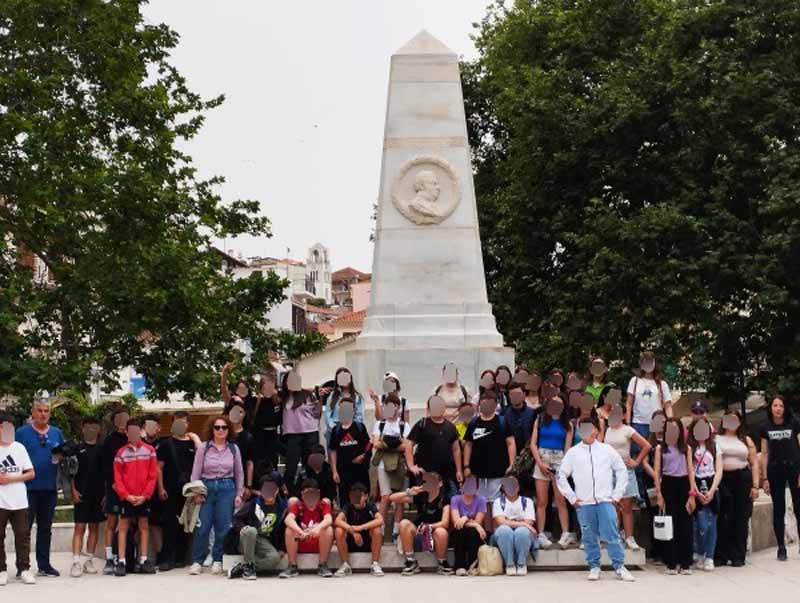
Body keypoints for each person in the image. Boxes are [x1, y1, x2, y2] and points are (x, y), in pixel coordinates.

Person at [556, 416, 635, 582]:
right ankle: (594, 566)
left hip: (605, 501)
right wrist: (572, 497)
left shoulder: (607, 450)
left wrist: (617, 494)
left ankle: (619, 566)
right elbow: (561, 475)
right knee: (588, 536)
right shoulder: (573, 452)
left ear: (596, 430)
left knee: (612, 535)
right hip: (584, 503)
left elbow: (621, 470)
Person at [15, 398, 65, 577]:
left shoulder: (57, 433)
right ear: (33, 412)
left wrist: (61, 457)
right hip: (26, 488)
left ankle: (44, 565)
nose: (43, 414)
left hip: (49, 488)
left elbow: (62, 456)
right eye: (40, 410)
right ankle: (23, 566)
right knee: (24, 529)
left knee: (45, 528)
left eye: (46, 411)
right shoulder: (21, 433)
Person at [189, 416, 244, 575]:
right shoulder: (204, 448)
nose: (220, 430)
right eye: (217, 427)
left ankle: (218, 559)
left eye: (224, 427)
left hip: (227, 488)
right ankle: (197, 561)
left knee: (223, 527)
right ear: (211, 429)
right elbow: (195, 472)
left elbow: (239, 473)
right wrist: (196, 492)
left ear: (229, 430)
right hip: (206, 487)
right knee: (203, 526)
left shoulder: (233, 449)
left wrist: (239, 494)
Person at [112, 418, 158, 576]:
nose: (133, 434)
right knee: (123, 527)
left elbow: (153, 475)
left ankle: (143, 560)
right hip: (127, 497)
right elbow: (117, 477)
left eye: (136, 431)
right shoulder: (121, 453)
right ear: (126, 432)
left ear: (141, 431)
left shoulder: (150, 451)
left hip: (143, 496)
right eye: (130, 431)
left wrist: (145, 495)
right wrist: (125, 495)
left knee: (144, 526)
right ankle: (121, 561)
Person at [601, 404, 651, 550]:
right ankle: (614, 537)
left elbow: (646, 446)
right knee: (613, 506)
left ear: (623, 415)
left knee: (627, 507)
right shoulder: (607, 430)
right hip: (609, 472)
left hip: (625, 471)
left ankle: (629, 537)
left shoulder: (628, 430)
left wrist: (636, 462)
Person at [156, 411, 200, 570]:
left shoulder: (194, 444)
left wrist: (195, 438)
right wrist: (161, 488)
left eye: (183, 422)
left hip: (189, 490)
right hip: (169, 489)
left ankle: (181, 558)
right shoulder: (165, 444)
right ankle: (166, 559)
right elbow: (159, 468)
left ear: (188, 424)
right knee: (169, 524)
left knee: (186, 524)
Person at [715, 409, 758, 567]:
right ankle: (721, 554)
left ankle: (738, 555)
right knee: (724, 516)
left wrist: (755, 485)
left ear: (740, 423)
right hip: (723, 480)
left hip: (742, 479)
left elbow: (754, 463)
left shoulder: (746, 440)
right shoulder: (716, 438)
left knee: (741, 517)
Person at [759, 395, 800, 561]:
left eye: (781, 406)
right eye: (775, 405)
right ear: (770, 408)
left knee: (798, 507)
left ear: (785, 408)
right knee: (778, 509)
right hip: (775, 470)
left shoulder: (794, 423)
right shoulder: (765, 427)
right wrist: (765, 478)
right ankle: (781, 547)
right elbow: (764, 453)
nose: (778, 409)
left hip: (794, 468)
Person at [654, 417, 696, 575]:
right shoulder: (660, 448)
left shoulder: (686, 448)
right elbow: (657, 472)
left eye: (675, 428)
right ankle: (671, 563)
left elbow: (691, 470)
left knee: (685, 524)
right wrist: (659, 494)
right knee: (670, 523)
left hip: (684, 483)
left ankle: (685, 563)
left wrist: (692, 494)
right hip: (668, 484)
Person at [390, 471, 453, 576]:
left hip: (435, 536)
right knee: (404, 523)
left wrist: (429, 526)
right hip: (419, 534)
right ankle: (411, 561)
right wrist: (410, 492)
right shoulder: (421, 496)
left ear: (440, 483)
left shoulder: (445, 499)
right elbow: (392, 498)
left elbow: (445, 522)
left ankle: (442, 562)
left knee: (441, 531)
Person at [530, 397, 573, 548]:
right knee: (542, 500)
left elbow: (567, 449)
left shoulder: (567, 424)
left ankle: (565, 533)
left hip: (559, 460)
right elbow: (533, 444)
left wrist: (564, 467)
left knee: (561, 499)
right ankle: (541, 533)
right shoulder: (540, 419)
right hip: (542, 457)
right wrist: (540, 463)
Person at [464, 391, 516, 515]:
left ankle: (497, 527)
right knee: (481, 505)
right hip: (477, 472)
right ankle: (483, 527)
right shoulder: (473, 423)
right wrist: (466, 466)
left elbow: (511, 443)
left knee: (497, 505)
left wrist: (512, 464)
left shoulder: (502, 421)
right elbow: (468, 445)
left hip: (499, 471)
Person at [228, 471, 287, 580]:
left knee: (274, 558)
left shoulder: (281, 507)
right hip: (247, 538)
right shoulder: (253, 504)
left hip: (264, 540)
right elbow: (236, 518)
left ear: (277, 490)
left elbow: (283, 528)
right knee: (251, 531)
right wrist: (242, 528)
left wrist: (282, 548)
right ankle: (249, 568)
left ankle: (244, 567)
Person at [0, 414, 37, 586]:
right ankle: (1, 570)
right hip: (0, 501)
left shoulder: (19, 448)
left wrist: (11, 479)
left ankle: (24, 569)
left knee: (23, 536)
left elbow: (31, 473)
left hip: (19, 501)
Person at [405, 395, 462, 503]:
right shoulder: (422, 424)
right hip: (426, 474)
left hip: (447, 474)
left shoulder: (450, 427)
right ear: (428, 408)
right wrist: (411, 465)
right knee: (425, 502)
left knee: (449, 501)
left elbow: (456, 449)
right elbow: (408, 443)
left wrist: (459, 470)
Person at [371, 392, 410, 541]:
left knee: (400, 498)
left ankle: (396, 530)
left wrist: (386, 444)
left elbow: (407, 446)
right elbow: (376, 443)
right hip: (383, 465)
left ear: (398, 408)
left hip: (400, 465)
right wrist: (395, 444)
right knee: (385, 497)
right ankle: (380, 529)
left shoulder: (404, 425)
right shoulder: (380, 424)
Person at [69, 417, 105, 577]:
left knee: (94, 528)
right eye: (88, 426)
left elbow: (107, 474)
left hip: (98, 495)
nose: (91, 429)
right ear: (83, 429)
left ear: (99, 429)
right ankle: (76, 562)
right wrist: (73, 490)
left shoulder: (103, 449)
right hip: (81, 494)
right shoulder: (76, 449)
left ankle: (89, 560)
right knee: (79, 527)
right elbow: (70, 473)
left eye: (94, 426)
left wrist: (106, 494)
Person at [280, 478, 334, 578]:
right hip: (301, 540)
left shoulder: (322, 505)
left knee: (329, 529)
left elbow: (329, 519)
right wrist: (300, 531)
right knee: (289, 530)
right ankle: (292, 566)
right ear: (302, 494)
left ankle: (322, 565)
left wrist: (317, 529)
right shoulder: (298, 505)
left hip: (318, 542)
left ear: (318, 493)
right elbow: (288, 519)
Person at [687, 417, 722, 571]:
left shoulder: (714, 446)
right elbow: (690, 470)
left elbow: (719, 469)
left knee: (712, 523)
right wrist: (695, 491)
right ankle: (700, 552)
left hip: (712, 484)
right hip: (696, 484)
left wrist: (713, 489)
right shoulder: (690, 448)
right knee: (700, 523)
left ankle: (710, 556)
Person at [99, 407, 131, 574]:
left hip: (132, 489)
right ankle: (109, 558)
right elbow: (106, 466)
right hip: (114, 488)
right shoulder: (109, 441)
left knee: (131, 523)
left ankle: (126, 558)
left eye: (125, 417)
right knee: (111, 522)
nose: (122, 420)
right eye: (119, 417)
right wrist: (112, 484)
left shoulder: (134, 439)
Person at [334, 482, 385, 577]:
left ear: (365, 496)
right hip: (351, 541)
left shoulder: (370, 506)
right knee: (338, 530)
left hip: (368, 541)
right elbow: (337, 520)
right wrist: (352, 531)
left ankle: (375, 564)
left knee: (377, 530)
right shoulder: (348, 506)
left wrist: (360, 528)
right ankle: (345, 565)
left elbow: (380, 520)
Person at [281, 370, 322, 488]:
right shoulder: (283, 397)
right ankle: (289, 492)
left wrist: (320, 399)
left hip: (310, 433)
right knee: (291, 467)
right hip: (292, 436)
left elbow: (317, 413)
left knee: (310, 466)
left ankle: (311, 490)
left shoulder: (307, 395)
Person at [329, 399, 371, 507]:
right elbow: (333, 451)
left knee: (360, 500)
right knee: (344, 501)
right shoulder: (336, 430)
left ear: (353, 410)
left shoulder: (360, 427)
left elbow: (368, 445)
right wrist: (334, 471)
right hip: (343, 471)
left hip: (359, 471)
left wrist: (363, 457)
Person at [492, 476, 536, 576]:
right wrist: (522, 523)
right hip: (504, 531)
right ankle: (510, 564)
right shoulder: (498, 502)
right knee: (504, 530)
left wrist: (510, 522)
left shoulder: (527, 501)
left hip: (522, 531)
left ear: (518, 487)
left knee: (522, 532)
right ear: (503, 488)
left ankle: (521, 564)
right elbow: (500, 522)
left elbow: (529, 522)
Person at [247, 368, 283, 476]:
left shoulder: (277, 400)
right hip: (259, 436)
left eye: (271, 384)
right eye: (266, 384)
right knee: (259, 461)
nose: (268, 387)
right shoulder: (255, 400)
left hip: (273, 435)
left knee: (273, 461)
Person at [449, 476, 487, 575]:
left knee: (473, 532)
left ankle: (472, 565)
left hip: (474, 533)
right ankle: (459, 566)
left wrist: (466, 519)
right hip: (459, 532)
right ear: (462, 485)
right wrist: (469, 520)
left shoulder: (481, 500)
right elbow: (457, 522)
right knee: (459, 531)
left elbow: (478, 522)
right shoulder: (455, 499)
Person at [324, 367, 365, 442]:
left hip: (351, 431)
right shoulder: (332, 396)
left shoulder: (357, 397)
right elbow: (327, 414)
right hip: (334, 430)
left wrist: (351, 429)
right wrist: (334, 428)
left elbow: (359, 417)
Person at [226, 402, 255, 498]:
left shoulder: (248, 437)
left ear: (245, 414)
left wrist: (249, 486)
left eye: (240, 412)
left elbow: (249, 462)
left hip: (240, 480)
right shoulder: (221, 433)